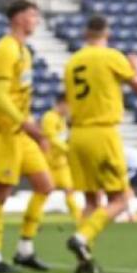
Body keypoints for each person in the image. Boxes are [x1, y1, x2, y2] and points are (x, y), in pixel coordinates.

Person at [63, 15, 137, 273]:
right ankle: (81, 238)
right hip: (102, 132)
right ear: (107, 32)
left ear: (84, 33)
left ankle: (84, 260)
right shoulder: (111, 56)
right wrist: (136, 67)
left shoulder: (72, 61)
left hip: (77, 134)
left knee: (91, 200)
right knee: (121, 198)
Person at [0, 0, 52, 273]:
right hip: (4, 132)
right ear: (18, 18)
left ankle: (24, 249)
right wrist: (25, 124)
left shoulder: (25, 51)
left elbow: (19, 97)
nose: (36, 20)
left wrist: (33, 130)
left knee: (45, 184)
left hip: (20, 132)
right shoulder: (6, 49)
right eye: (32, 15)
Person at [40, 94, 83, 224]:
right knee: (43, 193)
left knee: (69, 191)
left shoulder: (62, 120)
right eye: (69, 106)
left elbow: (63, 138)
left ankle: (80, 220)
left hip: (61, 164)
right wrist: (68, 150)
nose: (69, 109)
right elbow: (52, 138)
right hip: (49, 164)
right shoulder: (49, 117)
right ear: (62, 103)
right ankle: (35, 221)